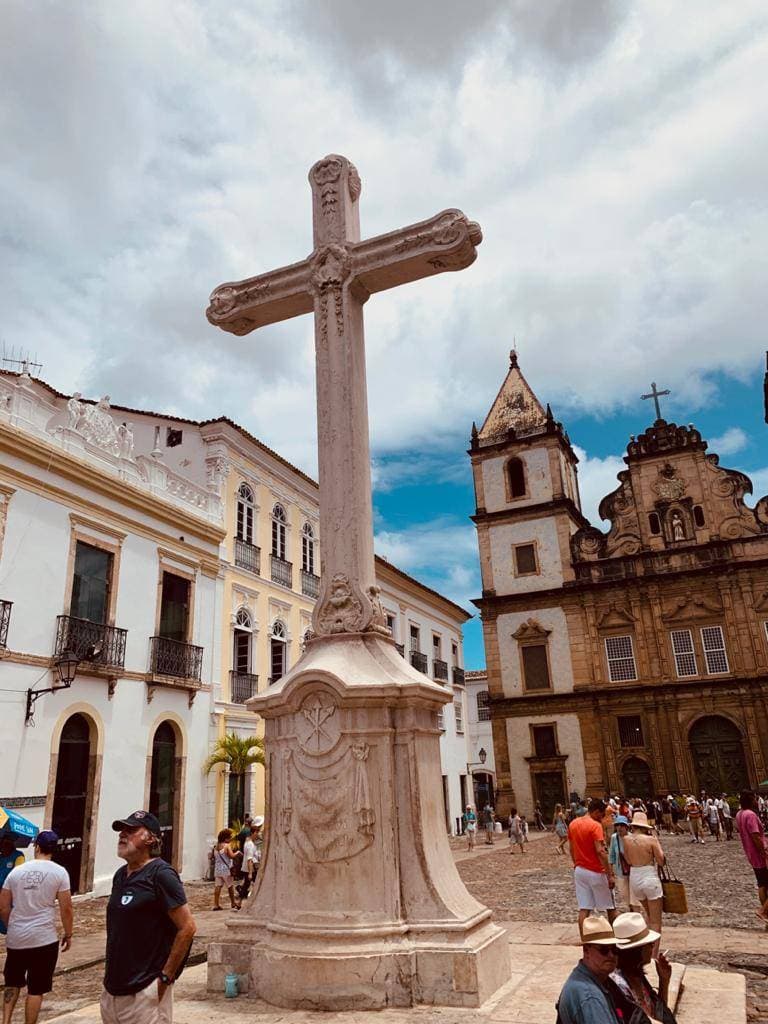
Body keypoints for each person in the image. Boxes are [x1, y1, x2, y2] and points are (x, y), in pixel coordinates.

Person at [101, 811, 196, 1024]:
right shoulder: (120, 875)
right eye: (122, 830)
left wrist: (164, 979)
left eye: (132, 830)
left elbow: (187, 928)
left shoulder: (161, 874)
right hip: (113, 990)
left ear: (151, 838)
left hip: (144, 991)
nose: (123, 835)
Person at [0, 830, 72, 1024]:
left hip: (17, 937)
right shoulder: (60, 872)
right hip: (44, 938)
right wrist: (69, 933)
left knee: (12, 982)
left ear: (37, 847)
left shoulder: (16, 872)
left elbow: (3, 906)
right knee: (36, 988)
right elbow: (66, 908)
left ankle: (5, 1021)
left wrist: (10, 926)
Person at [610, 912, 677, 1023]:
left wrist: (664, 980)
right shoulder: (619, 985)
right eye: (649, 944)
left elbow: (658, 1013)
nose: (653, 947)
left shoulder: (636, 975)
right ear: (636, 951)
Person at [555, 915, 623, 1023]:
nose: (611, 955)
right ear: (586, 951)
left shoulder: (596, 980)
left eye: (615, 950)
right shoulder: (590, 997)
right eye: (604, 950)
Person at [568, 798, 616, 931]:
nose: (601, 818)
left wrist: (576, 864)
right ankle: (616, 937)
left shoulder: (573, 823)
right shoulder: (595, 826)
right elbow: (600, 851)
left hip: (580, 871)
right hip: (596, 871)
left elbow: (571, 848)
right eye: (601, 815)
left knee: (584, 908)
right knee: (610, 906)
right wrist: (609, 874)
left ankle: (585, 939)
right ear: (595, 812)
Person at [622, 812, 665, 955]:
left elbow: (628, 861)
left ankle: (645, 951)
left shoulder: (626, 840)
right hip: (649, 877)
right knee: (656, 922)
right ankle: (653, 955)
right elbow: (661, 861)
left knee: (648, 916)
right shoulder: (651, 840)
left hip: (635, 877)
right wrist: (656, 841)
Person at [734, 791, 768, 922]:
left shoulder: (739, 814)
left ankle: (765, 914)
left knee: (762, 885)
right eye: (754, 798)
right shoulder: (751, 815)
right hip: (759, 854)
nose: (756, 800)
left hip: (750, 854)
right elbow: (755, 835)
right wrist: (764, 851)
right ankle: (763, 911)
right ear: (750, 800)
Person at [0, 836, 25, 936]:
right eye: (2, 843)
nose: (3, 847)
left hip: (10, 894)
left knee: (9, 923)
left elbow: (17, 875)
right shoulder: (1, 857)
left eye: (6, 843)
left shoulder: (18, 856)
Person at [607, 816, 633, 911]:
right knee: (625, 894)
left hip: (632, 871)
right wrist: (611, 874)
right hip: (620, 871)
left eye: (622, 825)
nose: (619, 828)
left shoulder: (632, 837)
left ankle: (634, 911)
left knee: (634, 895)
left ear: (626, 827)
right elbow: (611, 856)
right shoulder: (614, 838)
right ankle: (631, 909)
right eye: (617, 825)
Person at [212, 829, 238, 910]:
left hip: (217, 869)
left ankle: (216, 904)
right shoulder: (227, 846)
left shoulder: (216, 847)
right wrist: (238, 852)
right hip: (226, 869)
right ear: (225, 838)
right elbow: (231, 856)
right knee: (230, 886)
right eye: (229, 837)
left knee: (218, 886)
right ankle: (233, 903)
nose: (230, 839)